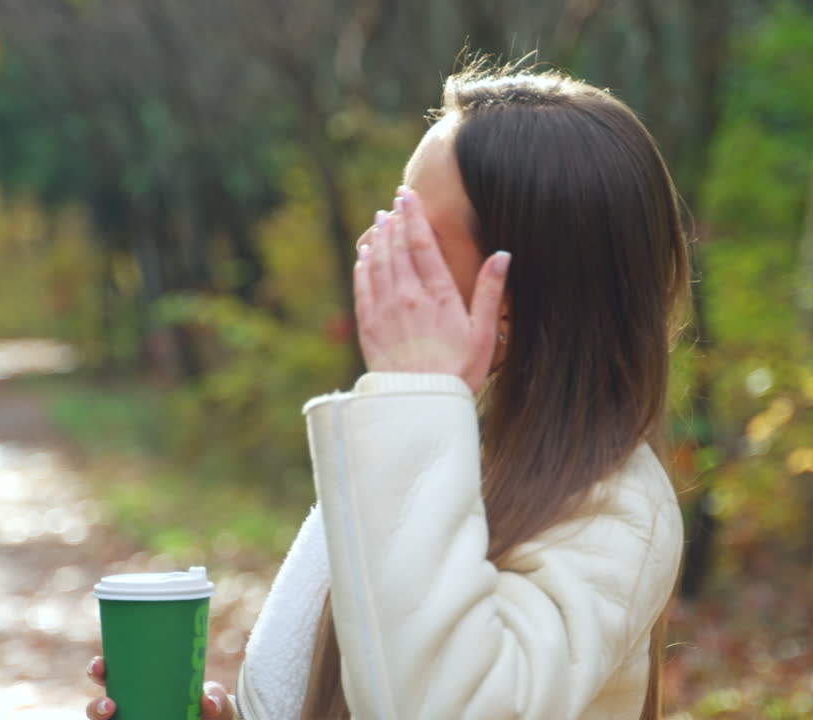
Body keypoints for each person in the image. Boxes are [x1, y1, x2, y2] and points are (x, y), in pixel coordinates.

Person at [87, 61, 689, 720]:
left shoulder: (616, 508)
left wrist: (416, 392)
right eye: (391, 211)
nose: (376, 245)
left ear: (517, 297)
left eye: (416, 233)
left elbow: (446, 706)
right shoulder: (463, 446)